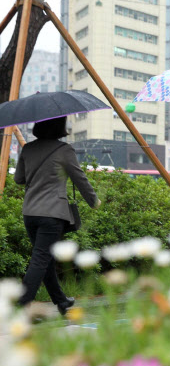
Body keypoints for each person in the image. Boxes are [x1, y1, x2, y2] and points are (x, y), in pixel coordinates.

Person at [13, 117, 100, 315]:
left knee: (45, 258)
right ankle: (22, 304)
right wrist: (93, 201)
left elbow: (19, 179)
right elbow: (79, 177)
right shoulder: (64, 150)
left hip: (30, 212)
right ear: (59, 127)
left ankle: (61, 301)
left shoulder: (28, 149)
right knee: (41, 258)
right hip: (52, 214)